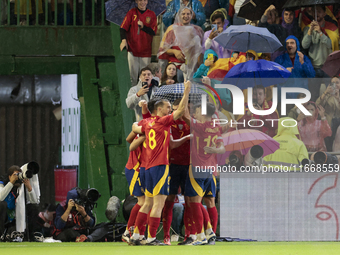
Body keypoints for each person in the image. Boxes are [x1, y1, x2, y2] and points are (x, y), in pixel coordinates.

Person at [129, 80, 191, 245]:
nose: (170, 109)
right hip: (159, 167)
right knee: (158, 203)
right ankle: (150, 238)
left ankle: (136, 235)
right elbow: (182, 110)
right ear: (159, 109)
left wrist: (137, 126)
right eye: (167, 107)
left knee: (147, 202)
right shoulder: (163, 122)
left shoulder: (147, 122)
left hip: (147, 167)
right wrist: (187, 91)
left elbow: (135, 127)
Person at [182, 102, 225, 245]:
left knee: (194, 203)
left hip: (197, 167)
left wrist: (186, 93)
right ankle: (210, 232)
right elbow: (222, 148)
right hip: (209, 169)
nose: (196, 111)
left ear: (204, 112)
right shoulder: (216, 126)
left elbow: (185, 115)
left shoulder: (200, 126)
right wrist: (215, 150)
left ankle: (201, 236)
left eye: (198, 109)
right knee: (204, 202)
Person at [158, 7, 204, 81]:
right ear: (179, 16)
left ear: (191, 16)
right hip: (175, 66)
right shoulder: (172, 29)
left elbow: (200, 51)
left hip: (191, 67)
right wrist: (174, 51)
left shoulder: (197, 30)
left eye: (188, 14)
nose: (186, 16)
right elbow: (163, 48)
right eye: (183, 14)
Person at [120, 0, 157, 85]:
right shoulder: (131, 13)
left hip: (146, 52)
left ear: (147, 1)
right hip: (132, 51)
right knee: (132, 78)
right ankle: (132, 97)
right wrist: (123, 40)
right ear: (136, 1)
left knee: (145, 78)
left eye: (144, 0)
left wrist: (143, 27)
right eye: (140, 0)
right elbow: (123, 28)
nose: (142, 2)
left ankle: (143, 97)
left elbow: (153, 31)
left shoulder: (151, 14)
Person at [0, 165, 39, 240]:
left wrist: (29, 188)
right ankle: (0, 235)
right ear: (9, 176)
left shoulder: (21, 187)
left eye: (19, 175)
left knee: (33, 207)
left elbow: (34, 201)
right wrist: (11, 183)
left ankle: (29, 235)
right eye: (15, 175)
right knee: (1, 204)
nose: (18, 178)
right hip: (4, 216)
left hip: (17, 217)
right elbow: (0, 197)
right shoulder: (2, 183)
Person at [275, 35, 315, 100]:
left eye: (292, 43)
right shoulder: (279, 59)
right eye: (287, 43)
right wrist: (284, 73)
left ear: (297, 45)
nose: (289, 45)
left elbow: (312, 75)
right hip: (285, 96)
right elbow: (274, 78)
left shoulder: (304, 58)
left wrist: (303, 63)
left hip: (301, 95)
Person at [316, 76, 340, 151]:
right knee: (328, 144)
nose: (335, 85)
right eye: (333, 83)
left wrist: (338, 98)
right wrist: (326, 92)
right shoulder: (326, 95)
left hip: (339, 125)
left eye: (337, 82)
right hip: (328, 124)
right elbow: (316, 105)